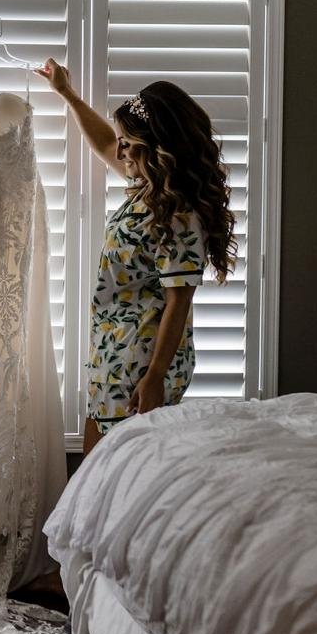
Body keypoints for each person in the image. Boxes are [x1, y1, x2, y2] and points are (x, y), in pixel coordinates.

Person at [36, 71, 235, 447]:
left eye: (128, 143)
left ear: (155, 147)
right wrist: (68, 95)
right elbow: (103, 143)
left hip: (140, 360)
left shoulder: (178, 214)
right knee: (97, 469)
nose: (120, 150)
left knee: (105, 469)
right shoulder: (149, 191)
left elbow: (180, 299)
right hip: (114, 351)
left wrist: (155, 376)